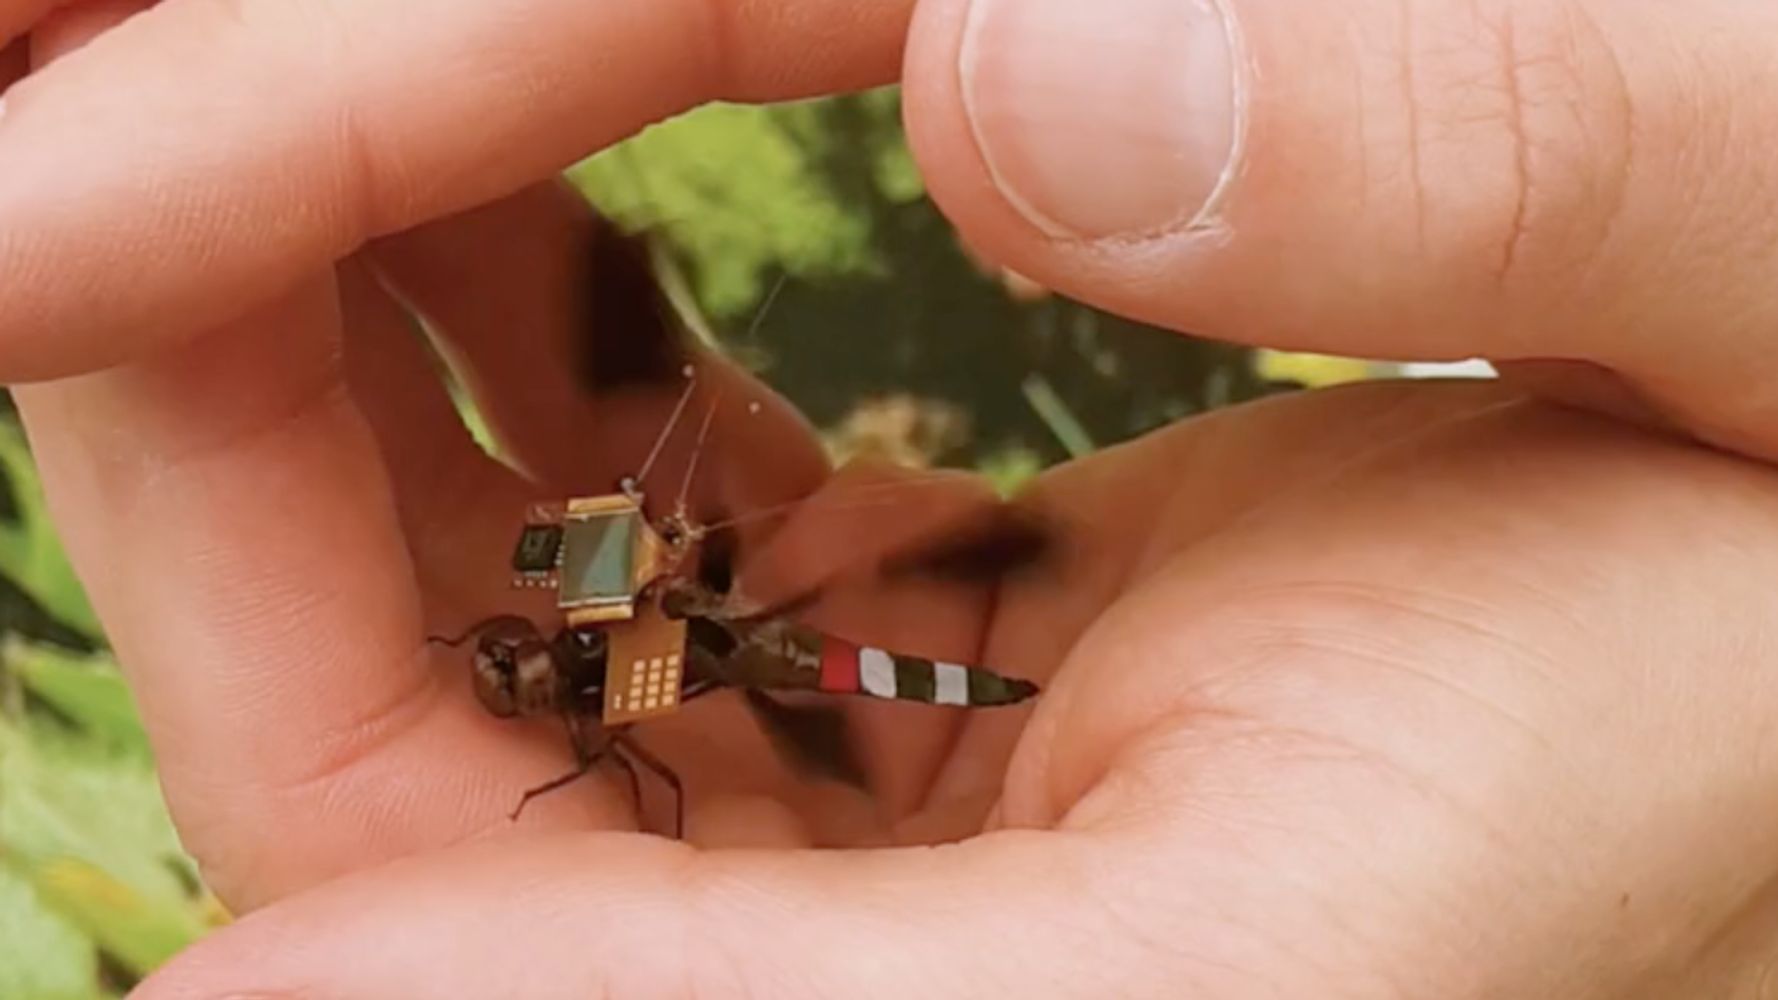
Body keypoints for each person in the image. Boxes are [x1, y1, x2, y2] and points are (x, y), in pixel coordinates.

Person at [4, 0, 1777, 995]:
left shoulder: (614, 658)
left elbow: (600, 704)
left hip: (833, 653)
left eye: (513, 661)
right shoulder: (611, 656)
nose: (506, 666)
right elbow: (596, 695)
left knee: (788, 660)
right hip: (835, 649)